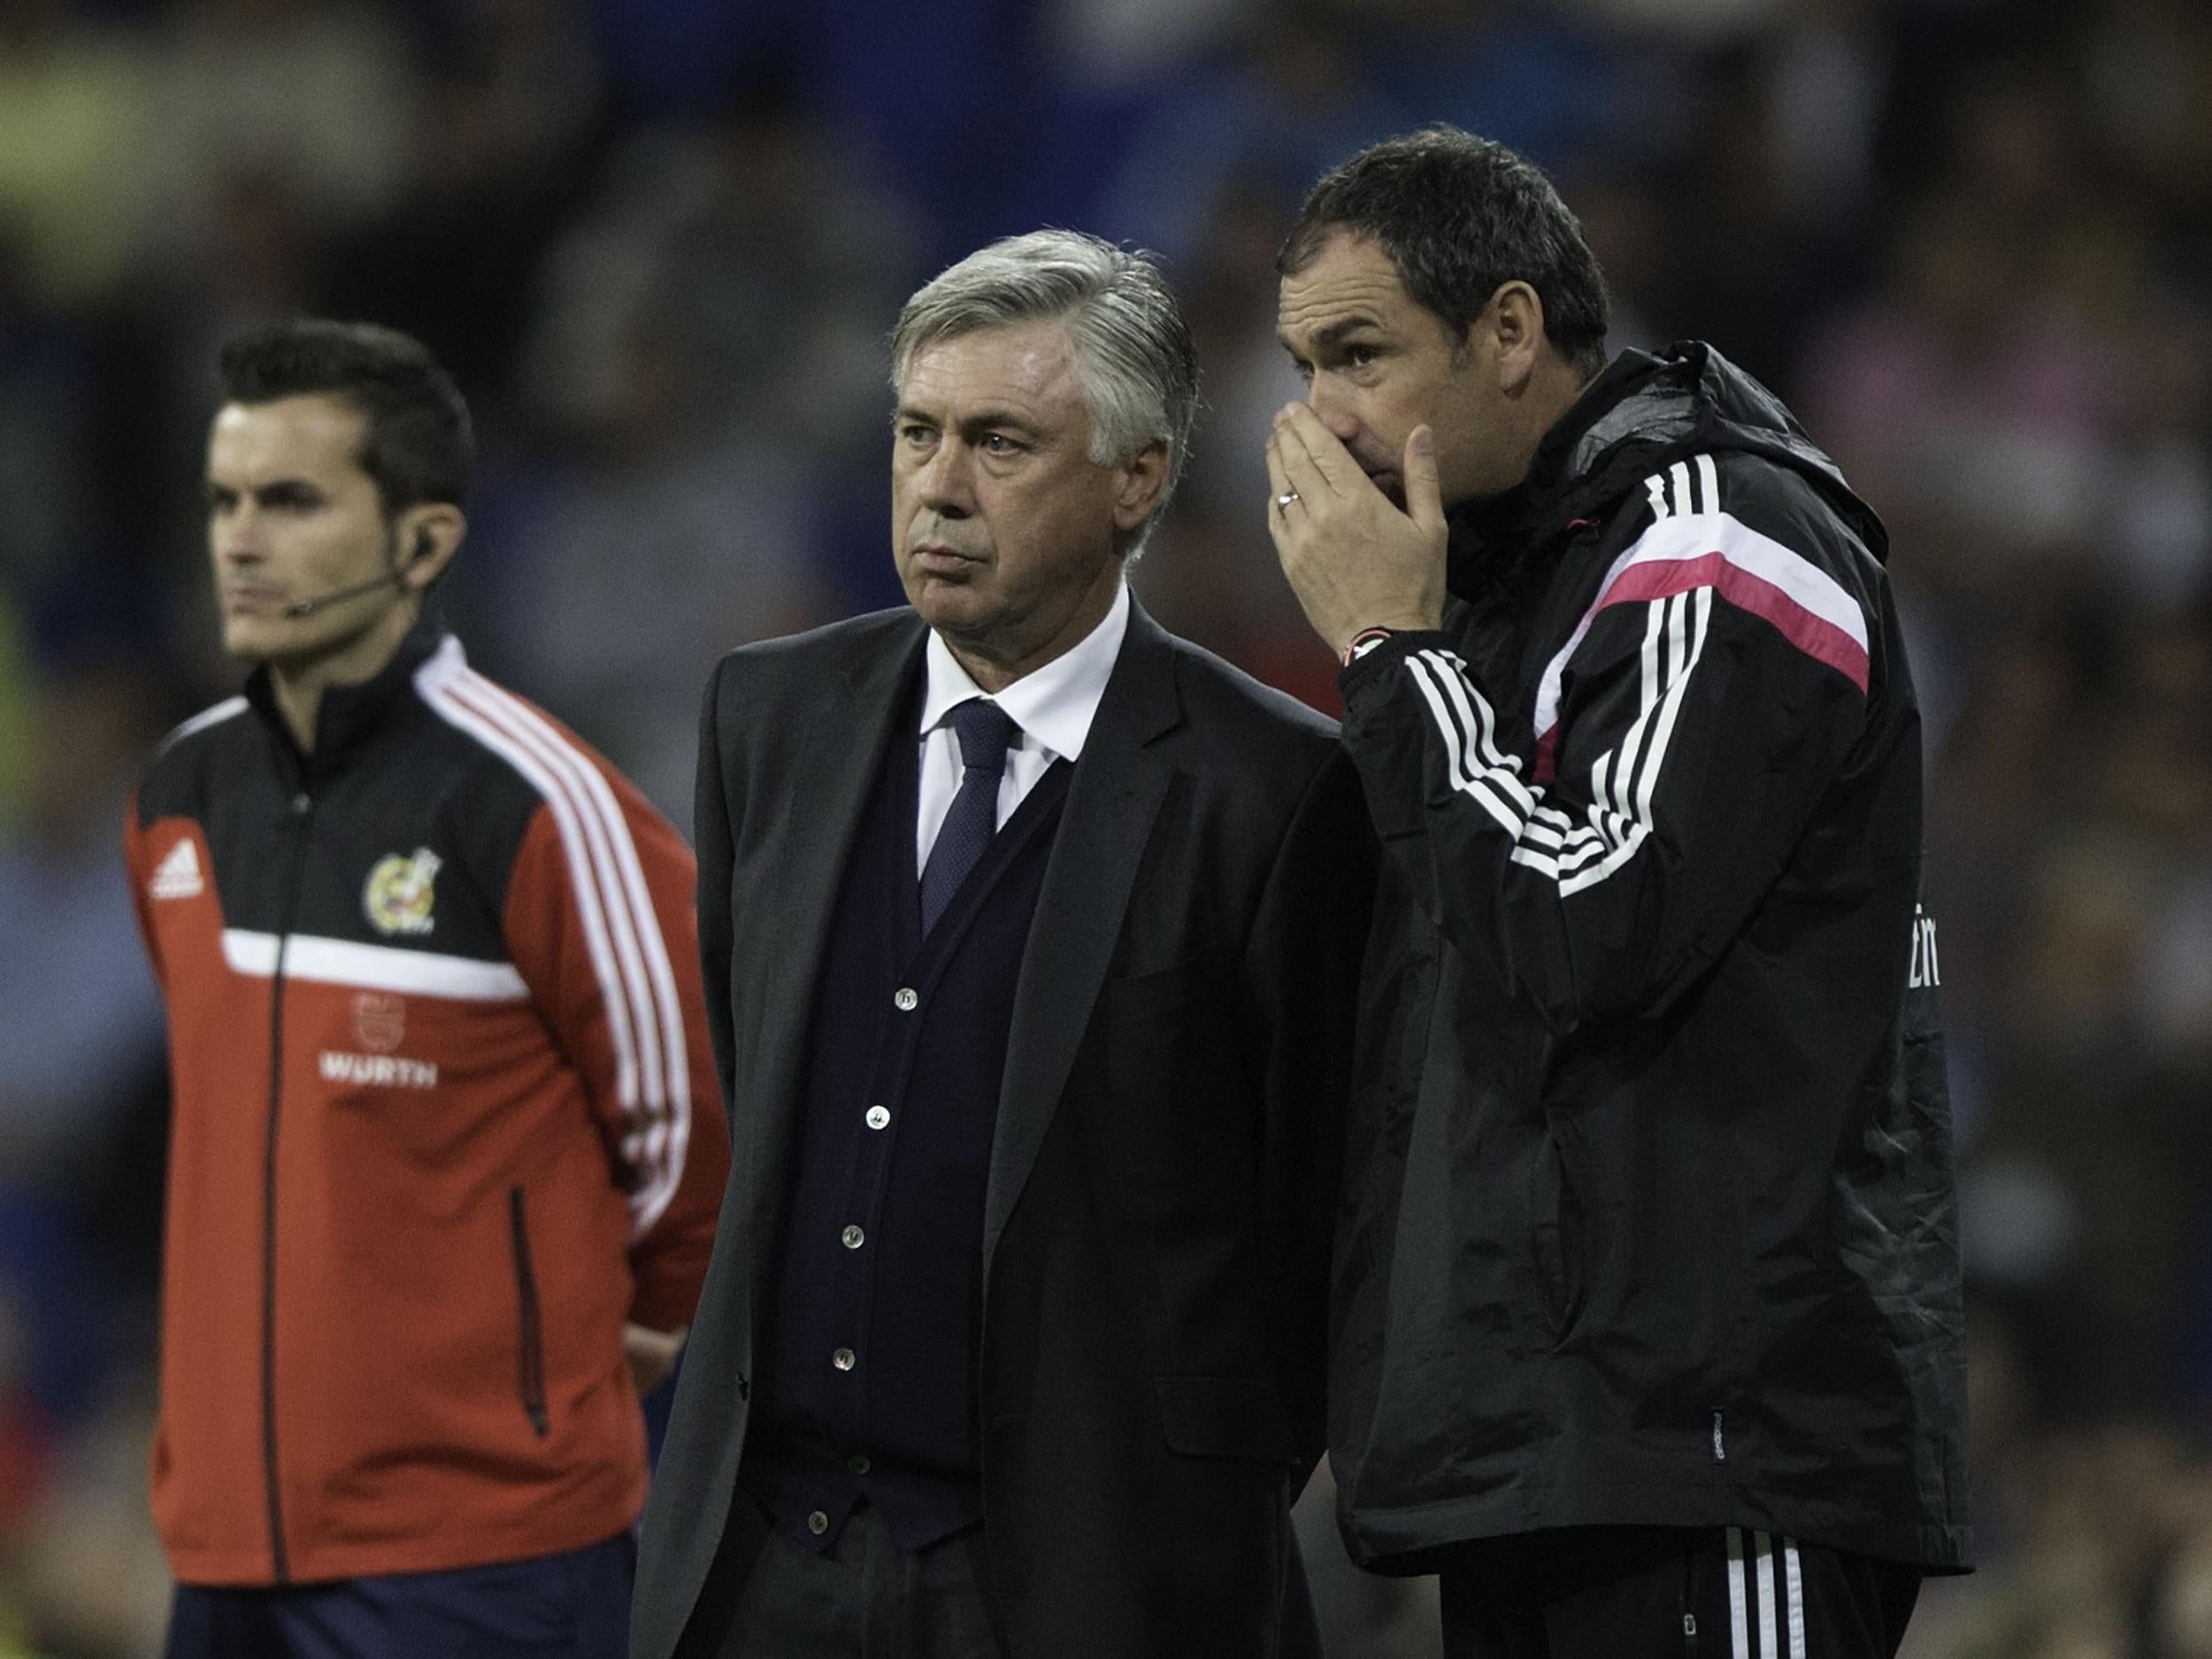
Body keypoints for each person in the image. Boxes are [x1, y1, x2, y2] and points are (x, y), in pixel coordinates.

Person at [1264, 127, 1970, 1658]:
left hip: (1722, 1454)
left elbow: (1591, 921)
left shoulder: (1721, 537)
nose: (1320, 418)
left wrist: (1392, 657)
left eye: (1359, 354)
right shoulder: (1512, 590)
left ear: (1510, 331)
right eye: (1302, 365)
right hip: (1546, 1454)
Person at [631, 230, 1374, 1659]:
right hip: (761, 1570)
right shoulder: (770, 716)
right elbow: (754, 1072)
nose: (939, 487)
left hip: (1084, 1582)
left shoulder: (1275, 791)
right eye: (917, 433)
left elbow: (1312, 1227)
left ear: (1138, 478)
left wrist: (1176, 1498)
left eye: (1000, 442)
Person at [123, 319, 732, 1657]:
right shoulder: (179, 798)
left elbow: (697, 1128)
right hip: (222, 1546)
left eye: (292, 501)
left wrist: (611, 1336)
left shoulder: (546, 806)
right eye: (225, 500)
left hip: (481, 1556)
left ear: (425, 542)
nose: (239, 539)